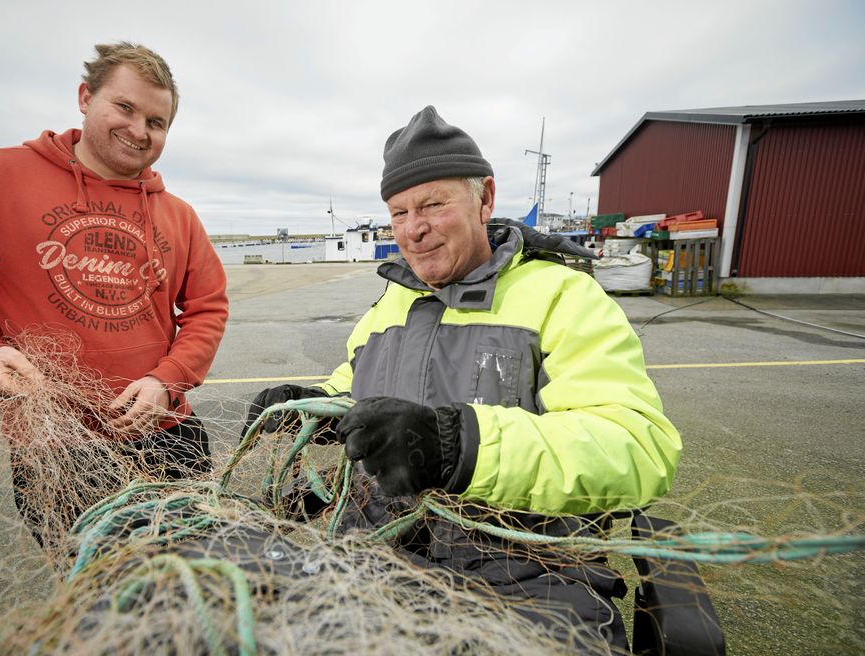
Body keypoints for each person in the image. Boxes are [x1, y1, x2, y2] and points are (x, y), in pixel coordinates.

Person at [245, 106, 681, 650]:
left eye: (432, 204)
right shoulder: (392, 302)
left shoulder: (564, 298)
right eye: (399, 212)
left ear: (486, 198)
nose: (413, 228)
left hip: (528, 575)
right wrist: (313, 404)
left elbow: (638, 447)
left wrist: (460, 447)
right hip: (379, 554)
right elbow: (352, 386)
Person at [0, 42, 229, 540]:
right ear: (84, 96)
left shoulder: (178, 214)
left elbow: (207, 308)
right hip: (56, 447)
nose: (139, 131)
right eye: (125, 107)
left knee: (196, 586)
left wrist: (168, 379)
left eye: (157, 122)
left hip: (168, 434)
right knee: (101, 601)